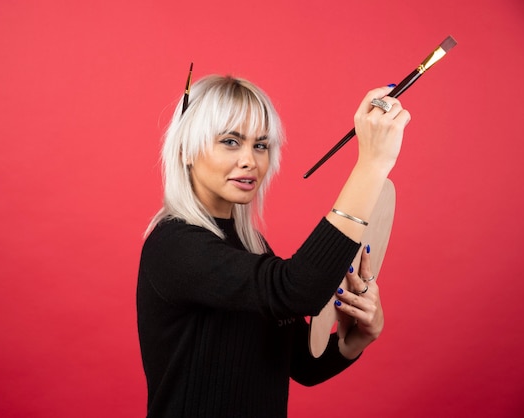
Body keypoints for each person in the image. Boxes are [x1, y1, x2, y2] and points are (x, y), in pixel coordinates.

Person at [137, 74, 411, 418]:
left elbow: (300, 365)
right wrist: (372, 165)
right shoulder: (173, 245)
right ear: (185, 150)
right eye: (231, 142)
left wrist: (357, 338)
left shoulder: (251, 246)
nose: (250, 160)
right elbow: (297, 290)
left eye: (261, 145)